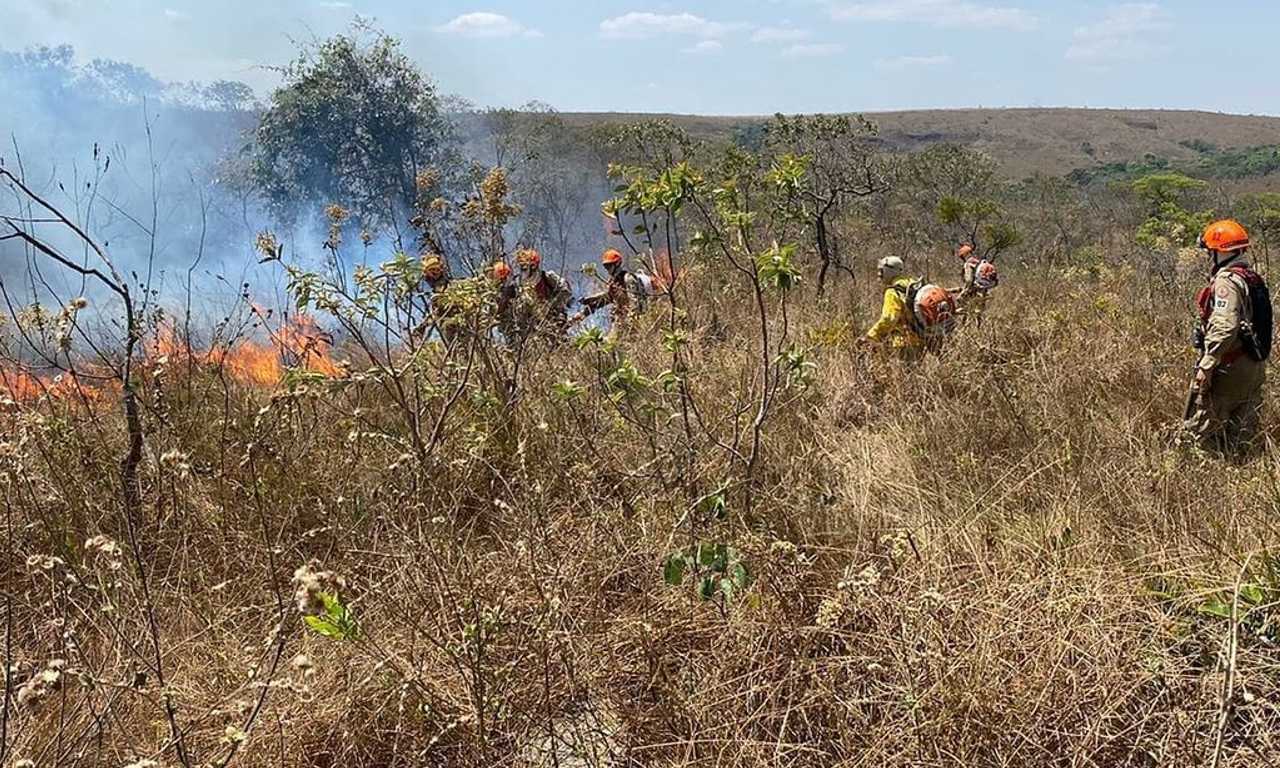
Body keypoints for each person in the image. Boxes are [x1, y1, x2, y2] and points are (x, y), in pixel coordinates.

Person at [1185, 219, 1271, 454]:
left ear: (1219, 252)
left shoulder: (1226, 282)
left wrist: (1207, 362)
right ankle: (1243, 468)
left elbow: (1225, 326)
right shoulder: (1250, 277)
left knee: (1200, 430)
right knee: (1242, 433)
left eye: (1210, 252)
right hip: (1253, 364)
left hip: (1230, 365)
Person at [862, 256, 924, 354]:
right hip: (921, 340)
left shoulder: (892, 291)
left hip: (903, 342)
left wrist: (871, 335)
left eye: (881, 271)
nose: (879, 274)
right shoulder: (913, 283)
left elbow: (889, 318)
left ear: (889, 271)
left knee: (904, 369)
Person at [574, 249, 653, 326]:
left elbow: (635, 304)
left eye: (609, 266)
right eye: (606, 266)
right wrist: (590, 301)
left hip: (634, 320)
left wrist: (630, 324)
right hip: (622, 317)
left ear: (617, 264)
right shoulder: (613, 281)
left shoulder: (628, 278)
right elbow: (607, 298)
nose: (607, 269)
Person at [514, 248, 572, 338]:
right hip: (536, 323)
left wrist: (553, 304)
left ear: (533, 266)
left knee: (559, 340)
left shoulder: (548, 277)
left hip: (554, 317)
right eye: (522, 267)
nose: (523, 270)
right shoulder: (522, 285)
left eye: (525, 267)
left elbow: (566, 290)